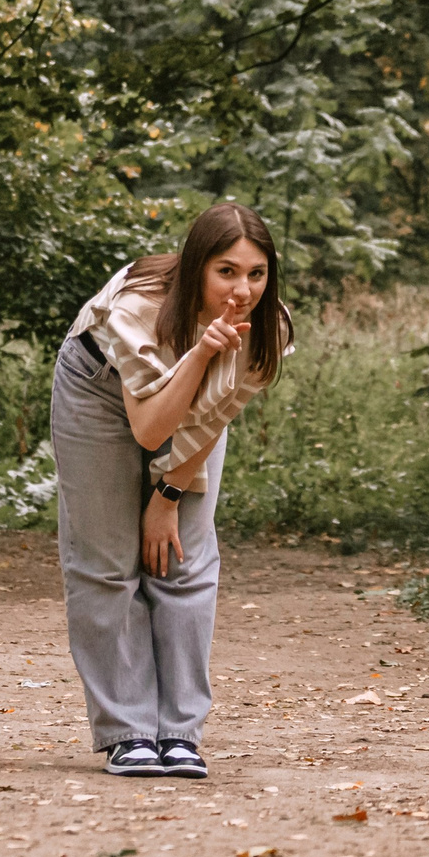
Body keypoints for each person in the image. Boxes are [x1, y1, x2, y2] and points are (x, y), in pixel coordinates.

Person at [50, 204, 292, 779]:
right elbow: (152, 429)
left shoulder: (269, 329)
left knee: (184, 558)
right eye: (226, 272)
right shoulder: (137, 308)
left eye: (256, 273)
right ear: (195, 269)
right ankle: (128, 732)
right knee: (108, 562)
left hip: (189, 400)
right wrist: (205, 350)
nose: (243, 289)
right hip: (101, 393)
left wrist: (168, 500)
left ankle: (180, 733)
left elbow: (215, 417)